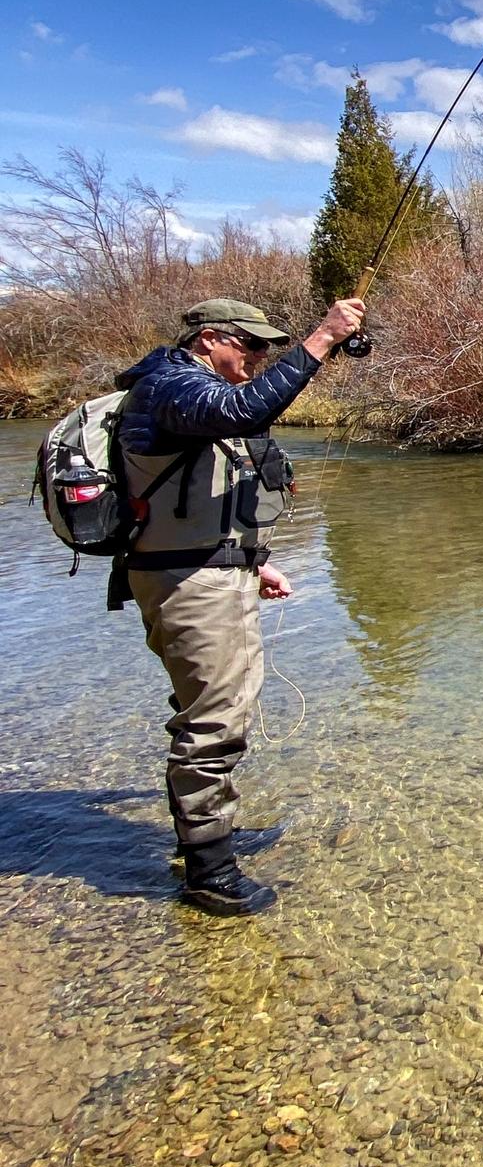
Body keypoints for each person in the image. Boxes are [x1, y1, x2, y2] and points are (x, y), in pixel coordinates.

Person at [114, 295, 365, 916]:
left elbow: (204, 499)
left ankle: (209, 837)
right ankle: (208, 871)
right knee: (214, 722)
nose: (257, 357)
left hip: (211, 574)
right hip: (188, 586)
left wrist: (252, 562)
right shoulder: (171, 387)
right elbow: (245, 409)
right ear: (210, 340)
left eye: (263, 348)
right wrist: (324, 337)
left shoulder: (188, 393)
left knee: (218, 708)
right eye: (249, 345)